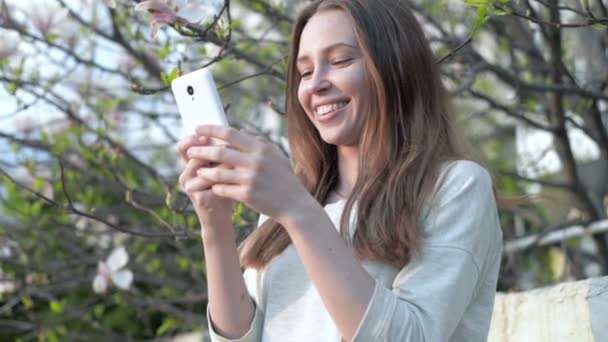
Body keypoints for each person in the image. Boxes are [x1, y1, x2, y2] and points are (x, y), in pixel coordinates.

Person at [177, 0, 503, 341]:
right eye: (304, 71)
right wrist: (215, 227)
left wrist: (298, 210)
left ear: (396, 67)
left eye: (339, 61)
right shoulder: (291, 204)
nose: (315, 84)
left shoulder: (456, 187)